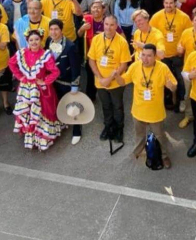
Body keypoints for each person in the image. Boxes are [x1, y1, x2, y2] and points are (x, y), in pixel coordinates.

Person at [113, 44, 176, 168]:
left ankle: (164, 156)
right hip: (138, 110)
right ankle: (137, 152)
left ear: (155, 57)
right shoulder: (135, 66)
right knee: (139, 134)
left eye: (149, 56)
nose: (145, 58)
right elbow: (123, 82)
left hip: (155, 112)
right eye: (143, 55)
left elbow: (174, 86)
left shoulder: (162, 68)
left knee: (160, 135)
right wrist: (116, 76)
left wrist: (170, 86)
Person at [9, 29, 62, 151]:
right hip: (26, 89)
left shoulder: (45, 55)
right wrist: (20, 76)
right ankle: (31, 135)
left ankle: (43, 137)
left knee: (43, 113)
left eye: (37, 39)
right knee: (28, 113)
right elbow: (11, 63)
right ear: (27, 41)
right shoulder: (22, 53)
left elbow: (55, 71)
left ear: (41, 40)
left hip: (40, 90)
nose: (34, 42)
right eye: (31, 40)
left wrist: (44, 81)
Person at [89, 15, 132, 143]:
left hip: (115, 82)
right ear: (103, 24)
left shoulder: (122, 42)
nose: (109, 27)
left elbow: (124, 64)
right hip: (100, 81)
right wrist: (100, 78)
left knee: (117, 105)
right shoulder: (96, 39)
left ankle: (119, 128)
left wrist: (110, 78)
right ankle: (108, 126)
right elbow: (92, 60)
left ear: (116, 26)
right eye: (106, 24)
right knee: (106, 105)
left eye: (112, 25)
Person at [150, 0, 192, 112]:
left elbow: (188, 35)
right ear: (163, 3)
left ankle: (182, 100)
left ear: (175, 4)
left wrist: (182, 48)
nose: (168, 5)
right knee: (163, 79)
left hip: (178, 54)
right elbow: (152, 35)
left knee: (180, 79)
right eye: (166, 3)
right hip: (162, 55)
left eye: (171, 3)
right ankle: (165, 100)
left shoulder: (184, 17)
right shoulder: (156, 17)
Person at [45, 19, 82, 144]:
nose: (53, 32)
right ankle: (61, 124)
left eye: (56, 29)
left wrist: (74, 86)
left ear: (61, 30)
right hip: (53, 82)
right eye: (51, 29)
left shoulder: (70, 46)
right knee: (57, 105)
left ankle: (77, 131)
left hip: (66, 82)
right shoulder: (48, 41)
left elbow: (76, 68)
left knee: (72, 106)